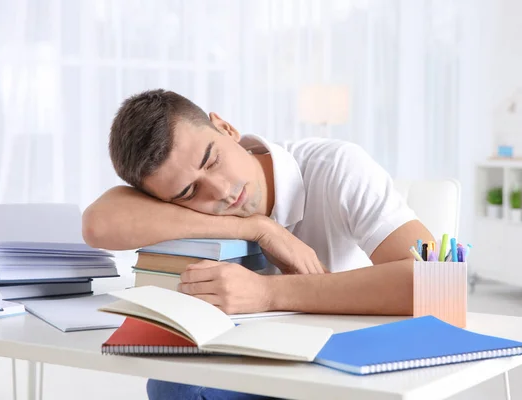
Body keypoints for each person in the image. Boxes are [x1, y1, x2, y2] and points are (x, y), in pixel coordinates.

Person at [82, 89, 435, 400]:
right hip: (253, 360)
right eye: (189, 191)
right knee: (174, 384)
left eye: (212, 159)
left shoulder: (338, 168)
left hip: (340, 363)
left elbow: (432, 282)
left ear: (226, 128)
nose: (220, 191)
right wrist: (258, 229)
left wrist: (268, 293)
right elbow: (97, 224)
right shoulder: (186, 207)